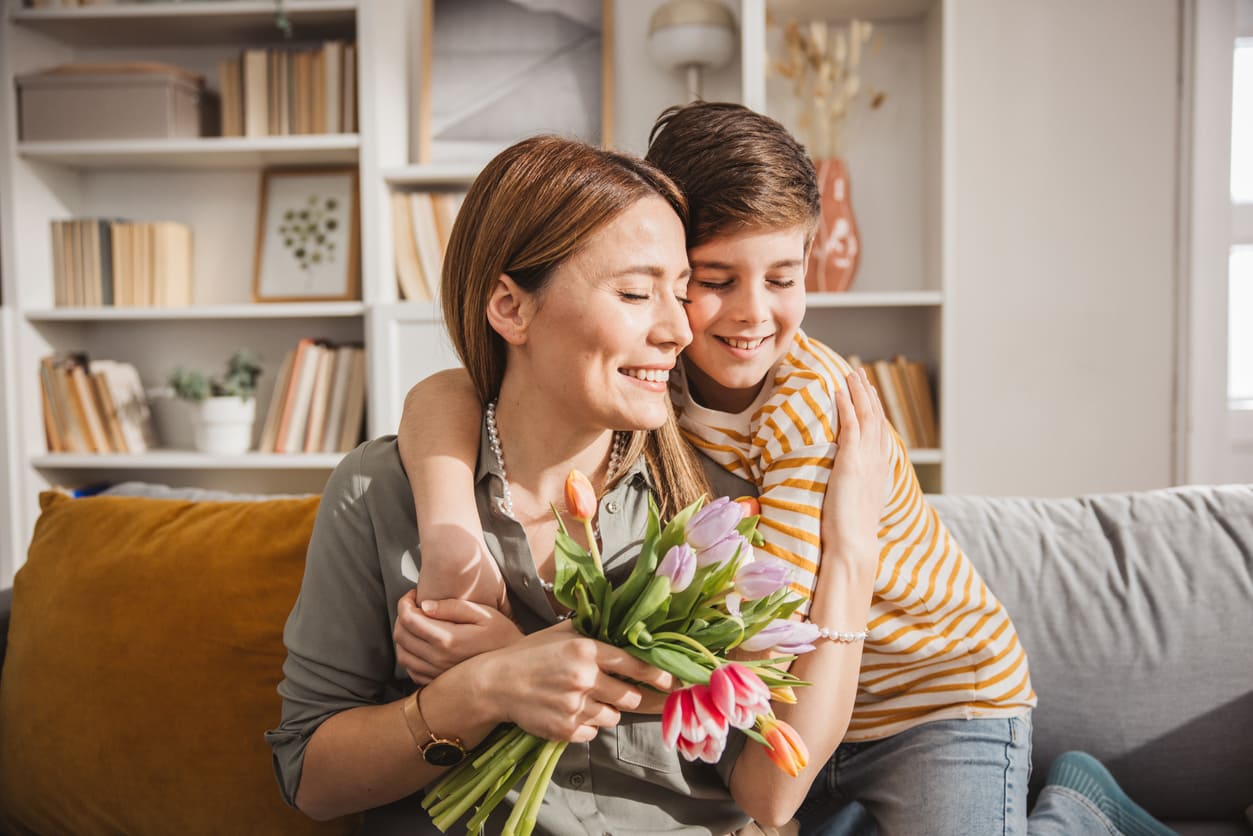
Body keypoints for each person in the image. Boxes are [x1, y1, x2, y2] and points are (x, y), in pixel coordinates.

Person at [392, 104, 1175, 835]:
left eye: (782, 278)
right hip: (805, 718)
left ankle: (1079, 809)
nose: (751, 314)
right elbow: (455, 391)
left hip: (933, 700)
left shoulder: (808, 410)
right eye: (714, 279)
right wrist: (449, 524)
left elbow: (762, 639)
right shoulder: (645, 373)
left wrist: (519, 657)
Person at [267, 133, 895, 835]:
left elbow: (770, 781)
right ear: (510, 308)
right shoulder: (379, 495)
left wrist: (851, 548)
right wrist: (477, 693)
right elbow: (311, 780)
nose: (677, 331)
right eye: (634, 293)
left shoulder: (715, 502)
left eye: (682, 294)